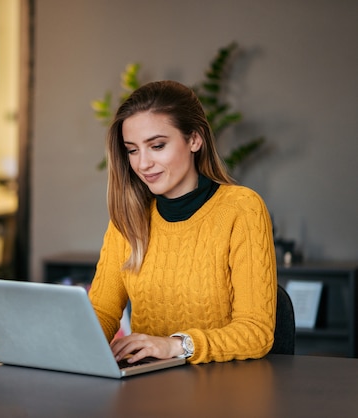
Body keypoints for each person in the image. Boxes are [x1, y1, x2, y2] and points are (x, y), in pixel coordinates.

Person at [88, 80, 277, 365]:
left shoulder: (241, 209)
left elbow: (256, 332)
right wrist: (68, 345)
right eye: (133, 150)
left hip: (222, 390)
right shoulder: (128, 218)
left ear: (194, 140)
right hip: (146, 391)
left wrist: (175, 345)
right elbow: (102, 311)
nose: (143, 163)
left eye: (157, 146)